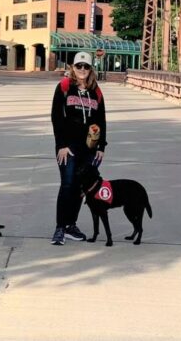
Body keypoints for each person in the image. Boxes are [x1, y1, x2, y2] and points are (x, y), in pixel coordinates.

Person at [50, 51, 107, 245]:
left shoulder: (96, 91)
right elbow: (56, 118)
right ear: (73, 68)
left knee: (81, 188)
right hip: (69, 146)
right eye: (79, 66)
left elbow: (101, 120)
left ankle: (71, 225)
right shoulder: (65, 87)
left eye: (86, 66)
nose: (82, 70)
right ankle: (60, 228)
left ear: (91, 69)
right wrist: (61, 145)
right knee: (67, 185)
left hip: (89, 148)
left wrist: (102, 146)